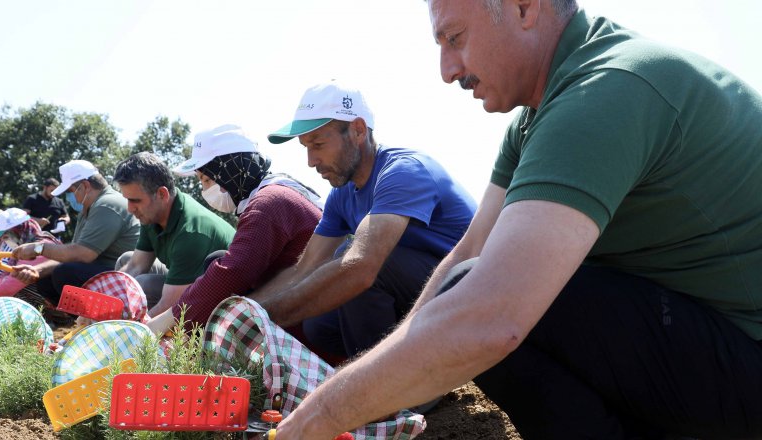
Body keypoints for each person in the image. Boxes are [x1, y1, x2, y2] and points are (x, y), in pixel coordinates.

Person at [271, 1, 762, 439]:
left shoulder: (604, 91)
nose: (446, 70)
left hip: (745, 357)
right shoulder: (536, 118)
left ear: (525, 8)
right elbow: (465, 254)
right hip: (697, 338)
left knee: (493, 303)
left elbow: (491, 316)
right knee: (461, 290)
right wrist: (369, 385)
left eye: (455, 39)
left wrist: (320, 417)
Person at [253, 81, 477, 359]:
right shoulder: (342, 193)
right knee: (319, 324)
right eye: (305, 148)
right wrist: (250, 310)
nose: (311, 160)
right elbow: (305, 268)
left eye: (318, 144)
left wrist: (268, 317)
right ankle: (401, 369)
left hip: (472, 293)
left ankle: (401, 390)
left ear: (358, 130)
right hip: (421, 294)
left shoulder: (403, 172)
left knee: (357, 265)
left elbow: (362, 266)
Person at [145, 124, 323, 335]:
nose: (204, 190)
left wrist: (169, 320)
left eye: (207, 179)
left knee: (219, 272)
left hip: (312, 319)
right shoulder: (273, 193)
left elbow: (233, 272)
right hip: (300, 297)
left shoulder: (269, 203)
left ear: (229, 171)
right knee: (216, 259)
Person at [112, 151, 235, 315]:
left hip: (224, 301)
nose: (129, 208)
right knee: (126, 261)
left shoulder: (191, 232)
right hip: (185, 279)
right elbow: (137, 265)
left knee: (141, 286)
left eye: (135, 200)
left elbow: (170, 306)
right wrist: (103, 300)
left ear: (162, 194)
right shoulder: (152, 213)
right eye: (127, 199)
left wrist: (126, 332)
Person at [10, 160, 141, 307]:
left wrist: (38, 248)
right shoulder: (88, 209)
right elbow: (72, 255)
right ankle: (82, 320)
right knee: (44, 279)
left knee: (65, 274)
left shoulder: (107, 205)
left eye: (70, 192)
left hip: (128, 275)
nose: (70, 198)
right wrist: (37, 270)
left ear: (85, 186)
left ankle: (102, 318)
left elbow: (82, 254)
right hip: (107, 271)